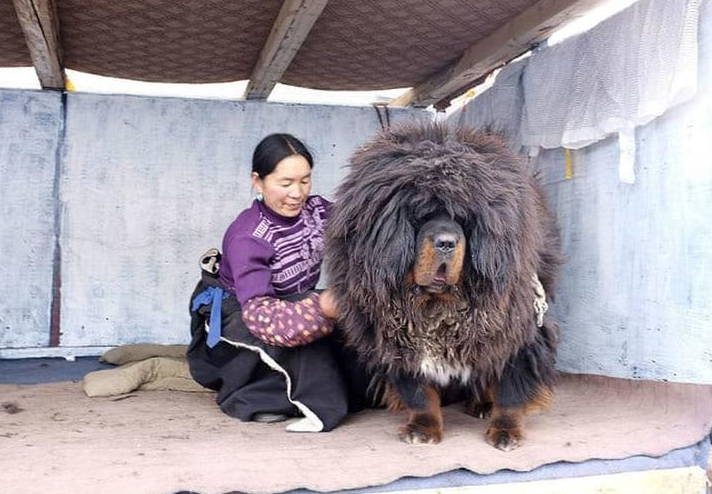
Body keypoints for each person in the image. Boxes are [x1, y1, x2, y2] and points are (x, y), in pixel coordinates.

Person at [187, 133, 370, 432]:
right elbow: (262, 315)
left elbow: (365, 225)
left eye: (305, 181)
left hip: (293, 304)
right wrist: (323, 307)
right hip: (242, 319)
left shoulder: (319, 211)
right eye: (285, 184)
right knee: (313, 353)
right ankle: (250, 397)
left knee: (357, 350)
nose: (297, 193)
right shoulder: (248, 235)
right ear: (258, 182)